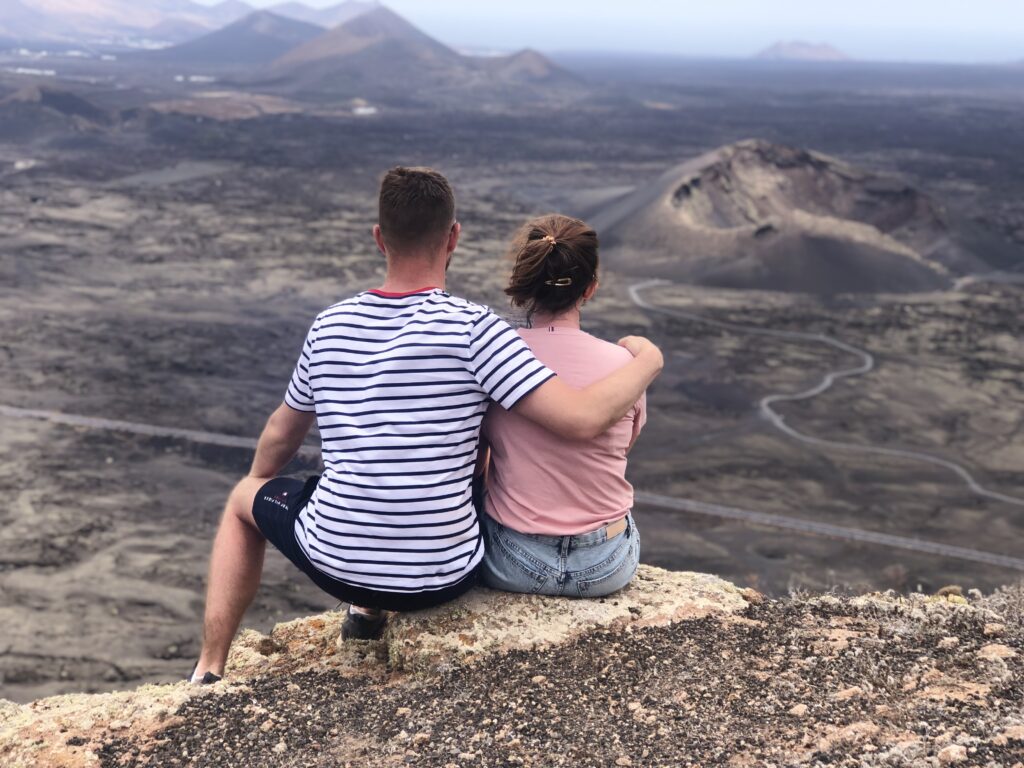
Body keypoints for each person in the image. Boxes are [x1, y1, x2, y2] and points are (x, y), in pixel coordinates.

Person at [189, 168, 663, 684]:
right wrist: (648, 357)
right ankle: (367, 605)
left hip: (337, 564)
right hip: (444, 577)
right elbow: (580, 419)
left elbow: (283, 433)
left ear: (378, 238)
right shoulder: (478, 331)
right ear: (453, 236)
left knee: (243, 501)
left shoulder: (329, 326)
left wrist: (260, 482)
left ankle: (210, 669)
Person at [478, 214, 646, 598]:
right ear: (590, 289)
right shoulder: (625, 368)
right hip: (608, 564)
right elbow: (620, 448)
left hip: (511, 560)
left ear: (524, 285)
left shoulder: (494, 358)